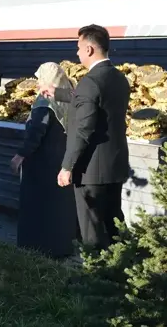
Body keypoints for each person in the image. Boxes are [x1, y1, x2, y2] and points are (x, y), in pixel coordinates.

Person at [41, 24, 130, 252]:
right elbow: (89, 98)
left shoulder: (90, 82)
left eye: (79, 48)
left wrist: (67, 166)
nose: (77, 53)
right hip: (114, 165)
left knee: (92, 230)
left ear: (89, 49)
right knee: (113, 223)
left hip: (91, 170)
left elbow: (83, 128)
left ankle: (96, 279)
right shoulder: (118, 78)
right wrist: (57, 93)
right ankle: (122, 271)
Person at [11, 63, 77, 259]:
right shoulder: (70, 95)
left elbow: (35, 134)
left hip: (42, 163)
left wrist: (20, 155)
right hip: (63, 159)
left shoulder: (44, 102)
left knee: (39, 207)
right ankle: (62, 246)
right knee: (61, 207)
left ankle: (36, 248)